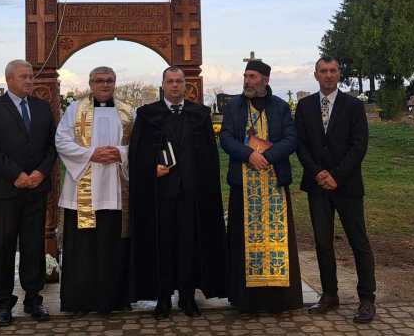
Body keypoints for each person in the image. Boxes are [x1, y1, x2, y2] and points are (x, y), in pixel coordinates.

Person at [128, 66, 227, 320]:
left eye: (179, 81)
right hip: (160, 193)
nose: (174, 86)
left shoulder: (200, 114)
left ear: (185, 85)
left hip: (192, 193)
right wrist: (152, 168)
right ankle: (163, 298)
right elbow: (137, 153)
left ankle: (187, 296)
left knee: (189, 244)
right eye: (170, 81)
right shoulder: (148, 114)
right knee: (162, 243)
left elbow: (209, 155)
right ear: (163, 85)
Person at [294, 56, 376, 324]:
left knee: (358, 242)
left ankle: (367, 299)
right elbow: (300, 144)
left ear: (339, 74)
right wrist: (318, 173)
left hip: (347, 185)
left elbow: (359, 145)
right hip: (317, 186)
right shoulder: (305, 106)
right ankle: (330, 294)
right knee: (322, 243)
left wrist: (337, 176)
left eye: (332, 71)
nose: (328, 75)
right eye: (323, 71)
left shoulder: (353, 105)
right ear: (315, 75)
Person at [0, 59, 57, 327]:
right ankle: (3, 302)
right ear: (9, 79)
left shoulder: (42, 108)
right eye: (23, 77)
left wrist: (40, 173)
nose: (29, 81)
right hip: (4, 191)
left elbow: (52, 145)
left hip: (36, 188)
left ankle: (34, 299)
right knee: (3, 246)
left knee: (34, 246)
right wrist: (17, 175)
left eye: (31, 77)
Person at [219, 59, 303, 313]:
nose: (247, 81)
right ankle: (246, 301)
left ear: (265, 80)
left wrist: (267, 156)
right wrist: (248, 155)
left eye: (253, 77)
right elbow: (225, 137)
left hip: (274, 183)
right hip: (243, 184)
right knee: (242, 239)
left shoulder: (279, 106)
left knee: (277, 240)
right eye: (245, 76)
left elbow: (292, 138)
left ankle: (279, 299)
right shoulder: (234, 106)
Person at [56, 66, 135, 315]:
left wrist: (120, 153)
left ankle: (115, 299)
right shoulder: (75, 109)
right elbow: (61, 141)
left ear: (115, 83)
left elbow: (140, 142)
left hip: (116, 185)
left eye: (109, 81)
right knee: (83, 248)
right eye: (99, 81)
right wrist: (91, 154)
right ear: (90, 84)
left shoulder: (127, 110)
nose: (105, 85)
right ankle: (80, 301)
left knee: (113, 245)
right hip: (84, 188)